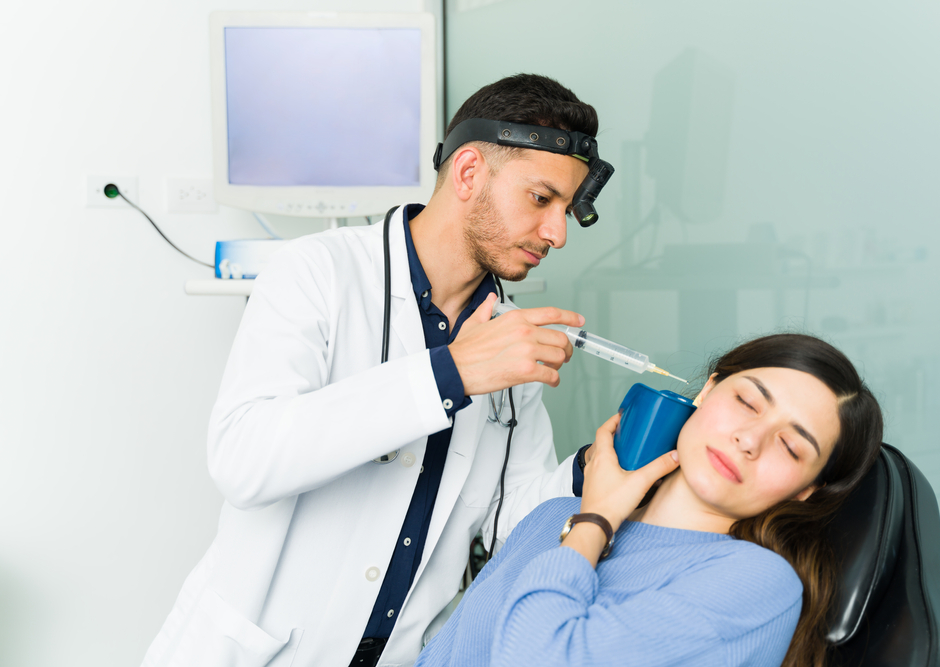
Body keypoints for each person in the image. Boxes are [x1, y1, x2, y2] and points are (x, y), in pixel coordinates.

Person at [141, 74, 610, 667]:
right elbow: (242, 458)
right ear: (468, 172)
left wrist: (590, 468)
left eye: (568, 209)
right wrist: (449, 374)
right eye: (542, 200)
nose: (557, 234)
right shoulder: (318, 272)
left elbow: (508, 522)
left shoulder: (506, 338)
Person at [414, 333, 884, 667]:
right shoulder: (552, 518)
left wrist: (596, 520)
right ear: (708, 389)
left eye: (791, 446)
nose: (750, 440)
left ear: (805, 491)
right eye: (748, 402)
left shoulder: (758, 583)